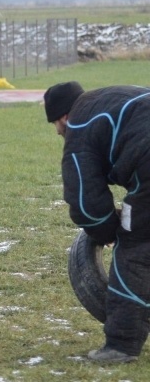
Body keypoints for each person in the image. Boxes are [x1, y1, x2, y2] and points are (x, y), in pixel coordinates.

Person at [44, 81, 150, 363]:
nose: (60, 134)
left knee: (136, 249)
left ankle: (121, 345)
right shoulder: (116, 96)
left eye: (58, 129)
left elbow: (86, 204)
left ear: (62, 117)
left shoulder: (77, 128)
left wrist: (107, 230)